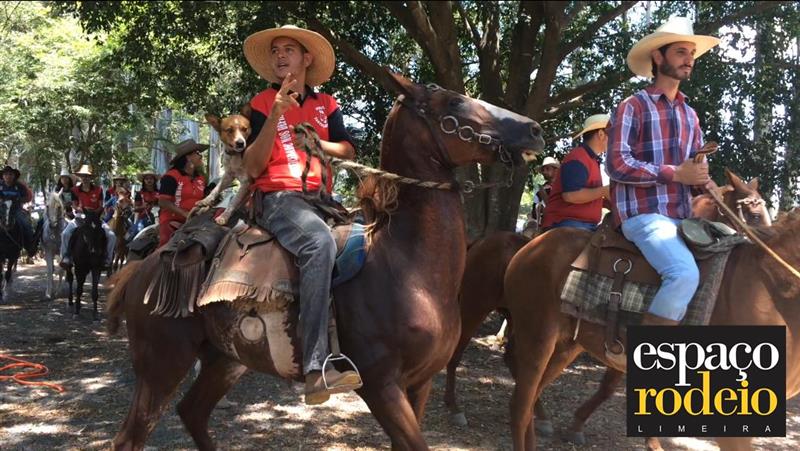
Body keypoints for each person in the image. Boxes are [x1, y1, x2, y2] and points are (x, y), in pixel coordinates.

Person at [242, 25, 359, 404]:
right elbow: (252, 166)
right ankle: (315, 366)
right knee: (318, 242)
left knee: (371, 241)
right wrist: (275, 114)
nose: (279, 55)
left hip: (322, 198)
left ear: (306, 59)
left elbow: (348, 150)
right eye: (275, 50)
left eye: (288, 49)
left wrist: (318, 141)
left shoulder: (328, 104)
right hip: (278, 197)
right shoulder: (262, 102)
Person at [605, 16, 718, 365]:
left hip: (681, 218)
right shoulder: (633, 106)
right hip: (643, 215)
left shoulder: (691, 115)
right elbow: (616, 164)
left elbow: (694, 170)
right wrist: (675, 173)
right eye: (681, 51)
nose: (689, 59)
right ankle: (647, 357)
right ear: (658, 57)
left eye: (692, 53)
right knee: (683, 274)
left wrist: (707, 183)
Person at [541, 114, 611, 232]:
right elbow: (571, 195)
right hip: (567, 222)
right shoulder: (578, 157)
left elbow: (588, 195)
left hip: (580, 223)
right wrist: (604, 191)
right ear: (601, 134)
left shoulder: (590, 159)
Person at [60, 165, 117, 269]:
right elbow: (74, 205)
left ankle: (108, 259)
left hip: (95, 217)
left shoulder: (98, 190)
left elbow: (101, 205)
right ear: (80, 177)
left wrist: (93, 212)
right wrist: (81, 209)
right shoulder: (74, 190)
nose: (85, 178)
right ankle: (66, 257)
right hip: (80, 217)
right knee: (65, 233)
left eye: (87, 176)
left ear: (91, 178)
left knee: (112, 236)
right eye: (83, 176)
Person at [157, 139, 208, 247]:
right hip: (172, 220)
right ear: (188, 157)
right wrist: (185, 213)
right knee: (166, 246)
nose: (201, 156)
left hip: (196, 221)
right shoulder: (171, 176)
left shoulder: (201, 178)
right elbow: (163, 201)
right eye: (197, 153)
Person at [0, 166, 35, 256]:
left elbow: (28, 197)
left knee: (25, 223)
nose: (8, 176)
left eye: (10, 174)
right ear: (3, 176)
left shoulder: (20, 186)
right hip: (1, 209)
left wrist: (18, 200)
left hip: (16, 210)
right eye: (6, 174)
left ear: (14, 176)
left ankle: (30, 246)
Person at [522, 156, 559, 237]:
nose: (544, 172)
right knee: (527, 234)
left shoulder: (564, 187)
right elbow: (534, 214)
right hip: (543, 226)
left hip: (561, 224)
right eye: (543, 170)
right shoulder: (540, 191)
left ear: (556, 170)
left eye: (547, 169)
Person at [129, 171, 159, 240]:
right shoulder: (139, 194)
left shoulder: (159, 193)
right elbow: (135, 208)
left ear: (154, 180)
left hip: (159, 219)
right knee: (136, 232)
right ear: (144, 181)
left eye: (151, 178)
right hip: (144, 219)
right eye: (147, 179)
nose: (149, 180)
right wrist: (142, 207)